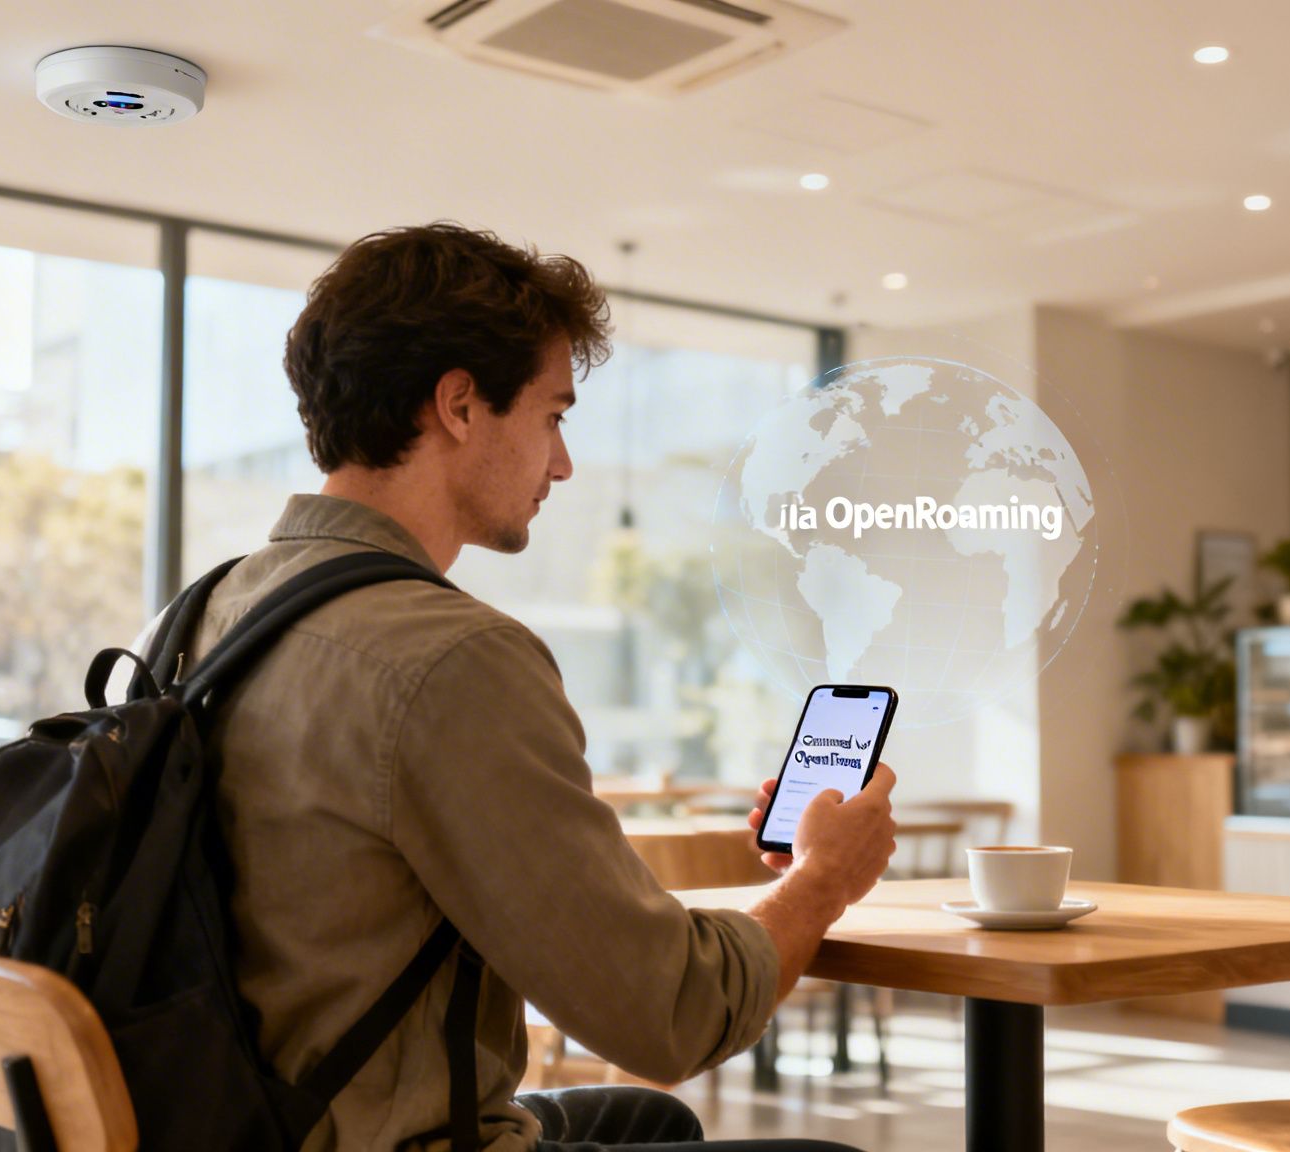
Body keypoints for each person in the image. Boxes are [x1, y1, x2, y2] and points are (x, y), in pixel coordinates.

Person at [161, 222, 898, 1151]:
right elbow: (667, 1014)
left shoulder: (195, 617)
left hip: (221, 1118)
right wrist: (823, 881)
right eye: (553, 415)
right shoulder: (450, 658)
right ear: (459, 405)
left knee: (645, 1119)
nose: (562, 462)